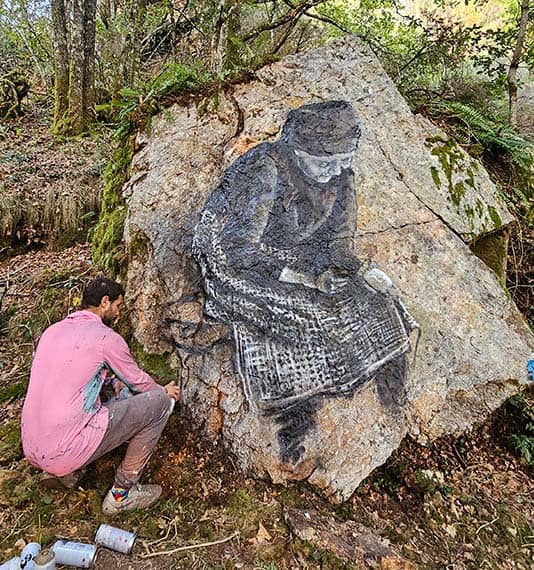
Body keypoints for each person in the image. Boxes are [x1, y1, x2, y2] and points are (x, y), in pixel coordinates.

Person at [192, 100, 418, 463]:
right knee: (299, 313)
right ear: (297, 151)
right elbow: (238, 248)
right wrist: (306, 278)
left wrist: (356, 271)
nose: (337, 171)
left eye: (345, 160)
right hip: (235, 257)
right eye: (326, 163)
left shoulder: (343, 175)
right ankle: (294, 425)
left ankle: (391, 401)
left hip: (296, 257)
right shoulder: (263, 168)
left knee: (375, 303)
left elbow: (338, 242)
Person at [21, 277, 180, 515]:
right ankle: (121, 494)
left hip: (32, 447)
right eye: (117, 306)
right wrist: (163, 391)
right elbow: (138, 381)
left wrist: (112, 381)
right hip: (64, 452)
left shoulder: (53, 331)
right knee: (159, 404)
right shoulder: (105, 337)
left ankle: (64, 472)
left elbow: (69, 377)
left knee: (100, 397)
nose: (118, 313)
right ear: (105, 302)